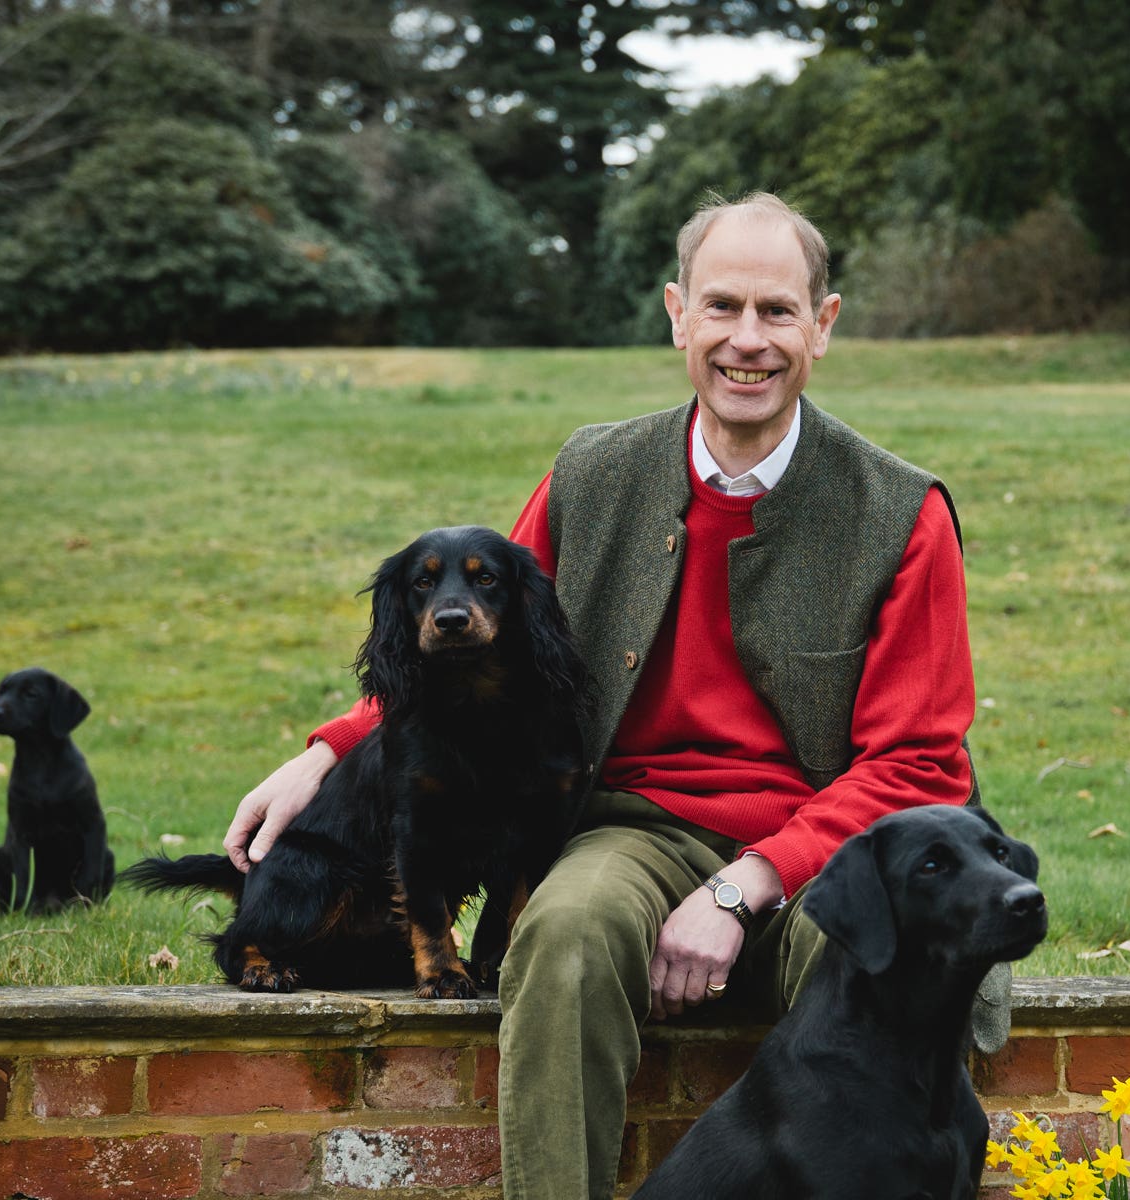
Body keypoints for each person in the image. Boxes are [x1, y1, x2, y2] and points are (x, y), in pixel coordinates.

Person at [222, 191, 980, 1199]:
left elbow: (918, 763)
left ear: (824, 325)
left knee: (885, 969)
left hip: (827, 847)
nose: (746, 341)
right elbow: (472, 639)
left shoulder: (900, 511)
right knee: (563, 935)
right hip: (630, 829)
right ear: (677, 315)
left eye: (777, 311)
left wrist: (743, 886)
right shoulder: (594, 470)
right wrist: (327, 751)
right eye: (720, 308)